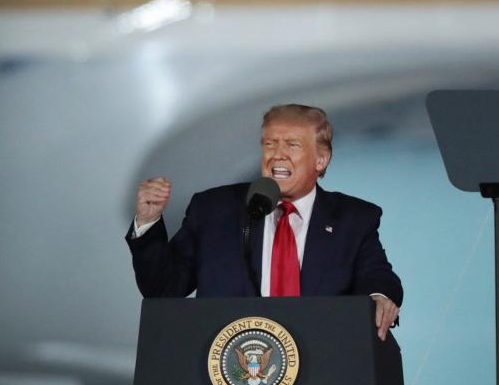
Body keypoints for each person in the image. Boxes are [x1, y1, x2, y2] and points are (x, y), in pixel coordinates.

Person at [126, 104, 402, 340]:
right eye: (270, 144)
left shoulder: (352, 219)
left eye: (292, 144)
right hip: (226, 375)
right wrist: (148, 221)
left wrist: (379, 297)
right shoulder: (214, 210)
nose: (277, 154)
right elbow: (163, 288)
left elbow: (376, 276)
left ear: (321, 159)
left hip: (320, 371)